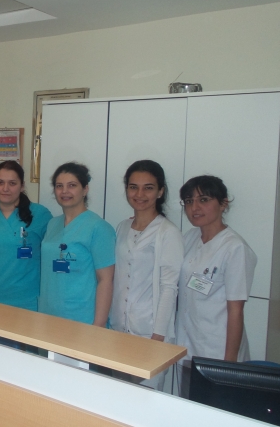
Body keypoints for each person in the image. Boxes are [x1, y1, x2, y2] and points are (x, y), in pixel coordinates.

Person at [175, 175, 256, 397]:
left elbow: (236, 310)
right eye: (189, 201)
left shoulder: (235, 248)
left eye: (203, 200)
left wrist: (228, 365)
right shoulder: (190, 238)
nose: (194, 207)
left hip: (217, 352)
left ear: (223, 204)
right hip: (187, 348)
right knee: (188, 408)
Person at [109, 160, 183, 390]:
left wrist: (158, 337)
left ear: (160, 191)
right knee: (118, 394)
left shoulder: (168, 232)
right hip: (119, 330)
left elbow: (169, 287)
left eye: (148, 188)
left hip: (149, 333)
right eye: (133, 187)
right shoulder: (122, 227)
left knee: (145, 398)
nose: (139, 194)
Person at [39, 162, 115, 326]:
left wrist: (98, 326)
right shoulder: (52, 224)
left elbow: (106, 280)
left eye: (72, 185)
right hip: (48, 314)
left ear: (85, 189)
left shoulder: (99, 228)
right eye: (59, 186)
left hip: (82, 318)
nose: (64, 191)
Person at [0, 161, 52, 311]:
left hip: (28, 301)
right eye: (0, 182)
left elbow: (54, 253)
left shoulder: (40, 215)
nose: (5, 188)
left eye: (12, 183)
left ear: (22, 186)